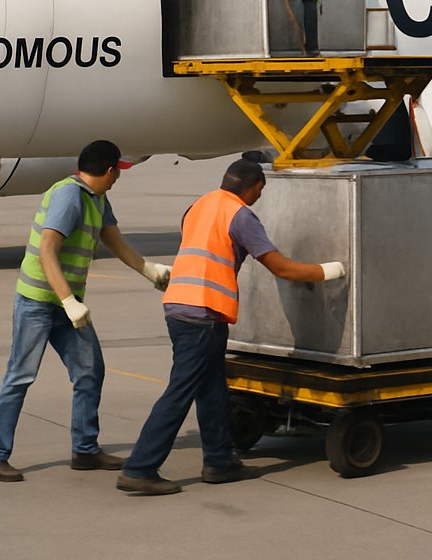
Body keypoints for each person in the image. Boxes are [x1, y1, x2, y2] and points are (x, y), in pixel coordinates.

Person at [117, 158, 346, 495]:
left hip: (181, 307)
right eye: (260, 190)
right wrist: (327, 272)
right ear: (253, 186)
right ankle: (140, 468)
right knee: (180, 392)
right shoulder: (239, 215)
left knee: (212, 391)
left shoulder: (199, 205)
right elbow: (280, 267)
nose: (258, 196)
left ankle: (219, 462)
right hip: (202, 314)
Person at [0, 140, 172, 482]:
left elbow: (112, 238)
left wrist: (147, 270)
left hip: (68, 305)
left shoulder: (97, 198)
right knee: (20, 376)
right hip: (39, 301)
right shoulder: (69, 196)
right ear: (110, 170)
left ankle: (85, 450)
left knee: (90, 371)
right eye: (117, 173)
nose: (117, 179)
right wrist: (68, 300)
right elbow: (47, 251)